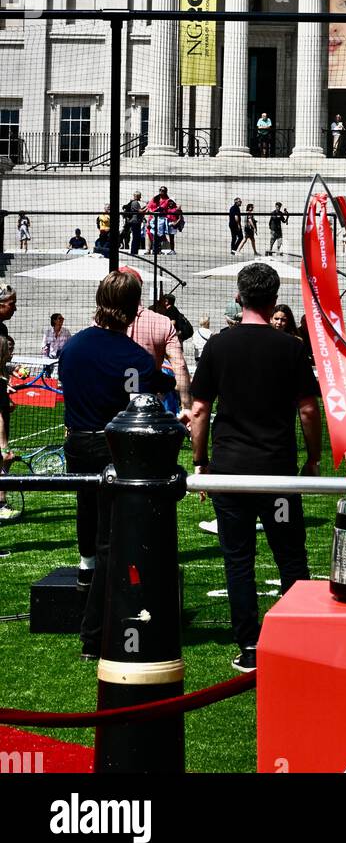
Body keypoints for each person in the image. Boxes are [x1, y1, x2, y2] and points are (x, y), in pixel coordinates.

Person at [189, 262, 322, 673]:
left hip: (231, 471)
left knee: (238, 559)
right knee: (290, 557)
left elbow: (198, 411)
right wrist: (313, 458)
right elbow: (307, 409)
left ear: (239, 297)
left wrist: (201, 462)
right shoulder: (291, 348)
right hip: (276, 473)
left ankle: (249, 645)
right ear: (273, 298)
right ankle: (297, 641)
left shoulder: (219, 346)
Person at [59, 271, 176, 655]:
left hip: (76, 442)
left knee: (88, 520)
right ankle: (94, 633)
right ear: (131, 310)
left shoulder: (73, 346)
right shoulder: (132, 355)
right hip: (112, 449)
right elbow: (156, 385)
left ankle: (83, 577)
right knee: (112, 541)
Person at [122, 268, 193, 416]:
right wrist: (186, 406)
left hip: (113, 400)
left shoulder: (102, 322)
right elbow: (179, 365)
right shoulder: (161, 322)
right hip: (149, 399)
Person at [0, 287, 17, 520]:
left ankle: (1, 502)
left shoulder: (2, 330)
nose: (15, 307)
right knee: (4, 452)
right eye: (11, 303)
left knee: (4, 454)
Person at [121, 191, 145, 256]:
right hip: (135, 222)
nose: (140, 197)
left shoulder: (134, 202)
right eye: (140, 196)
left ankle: (134, 251)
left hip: (135, 221)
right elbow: (140, 211)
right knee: (136, 237)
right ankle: (134, 251)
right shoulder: (135, 202)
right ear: (137, 196)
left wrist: (145, 207)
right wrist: (148, 207)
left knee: (136, 237)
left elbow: (138, 210)